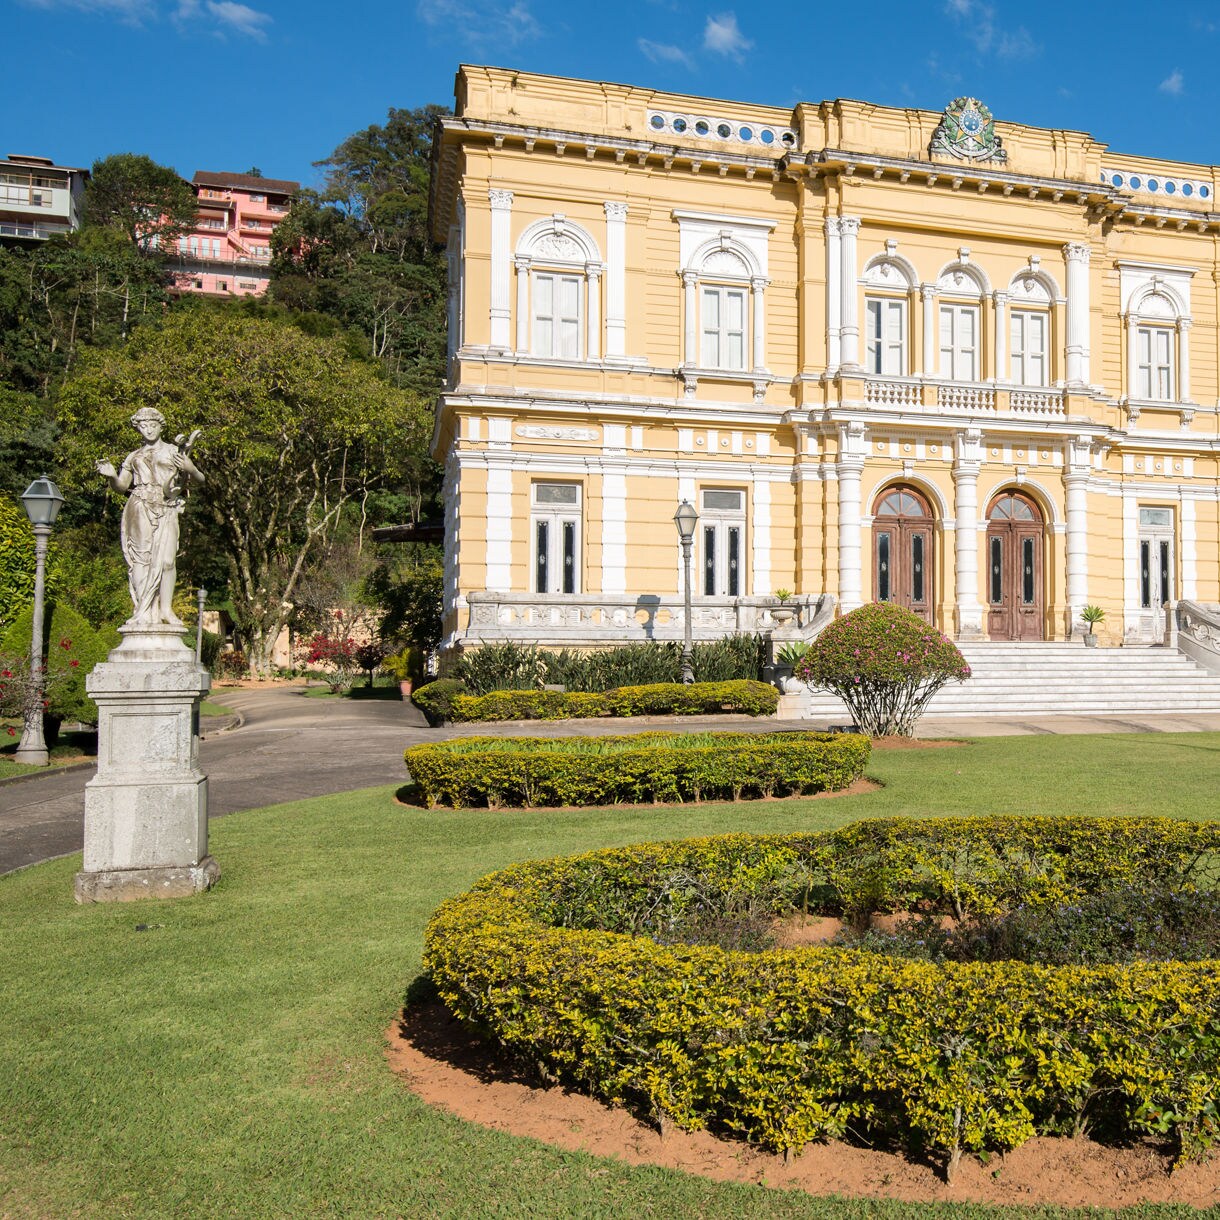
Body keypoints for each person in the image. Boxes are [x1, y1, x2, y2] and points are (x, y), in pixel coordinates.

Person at [96, 408, 204, 628]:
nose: (148, 430)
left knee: (167, 560)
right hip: (140, 505)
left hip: (166, 506)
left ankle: (165, 609)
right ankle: (142, 611)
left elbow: (200, 479)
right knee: (141, 558)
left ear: (161, 426)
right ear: (138, 428)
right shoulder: (134, 456)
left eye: (152, 425)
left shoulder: (175, 451)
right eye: (143, 426)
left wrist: (191, 469)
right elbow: (122, 486)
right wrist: (111, 477)